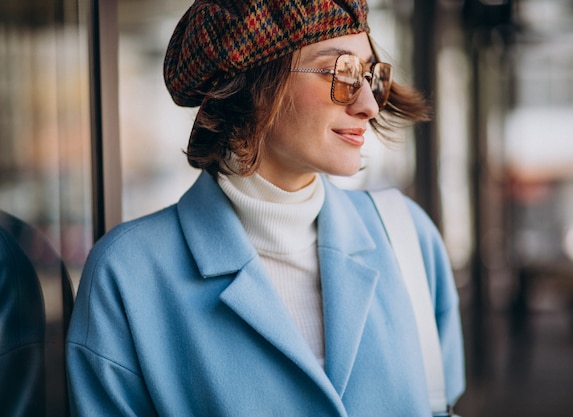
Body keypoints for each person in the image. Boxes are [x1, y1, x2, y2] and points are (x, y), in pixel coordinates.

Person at [66, 0, 465, 415]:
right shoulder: (128, 275)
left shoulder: (406, 237)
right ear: (252, 82)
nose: (369, 103)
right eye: (340, 72)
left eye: (369, 75)